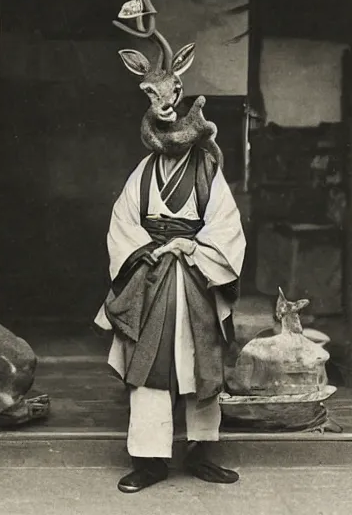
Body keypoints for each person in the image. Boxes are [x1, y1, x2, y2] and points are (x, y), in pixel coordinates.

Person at [93, 119, 246, 494]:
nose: (171, 147)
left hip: (198, 276)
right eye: (164, 141)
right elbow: (123, 222)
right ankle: (148, 461)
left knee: (201, 364)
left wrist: (193, 247)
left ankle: (202, 453)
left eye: (178, 141)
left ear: (192, 138)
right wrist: (147, 250)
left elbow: (227, 225)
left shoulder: (207, 170)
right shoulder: (143, 173)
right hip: (151, 274)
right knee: (148, 367)